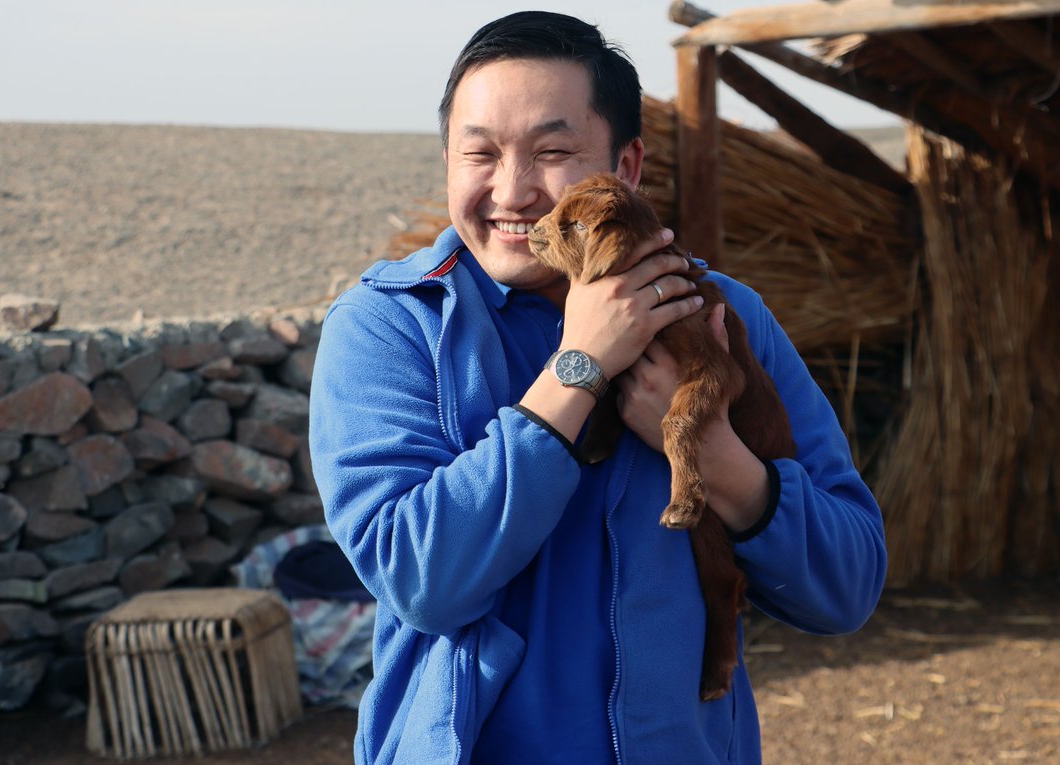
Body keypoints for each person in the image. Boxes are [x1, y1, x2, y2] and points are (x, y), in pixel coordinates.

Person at [309, 10, 886, 764]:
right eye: (477, 154)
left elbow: (847, 586)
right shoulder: (392, 327)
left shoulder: (719, 316)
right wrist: (578, 367)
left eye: (552, 151)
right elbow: (420, 578)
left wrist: (713, 454)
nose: (512, 192)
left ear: (628, 167)